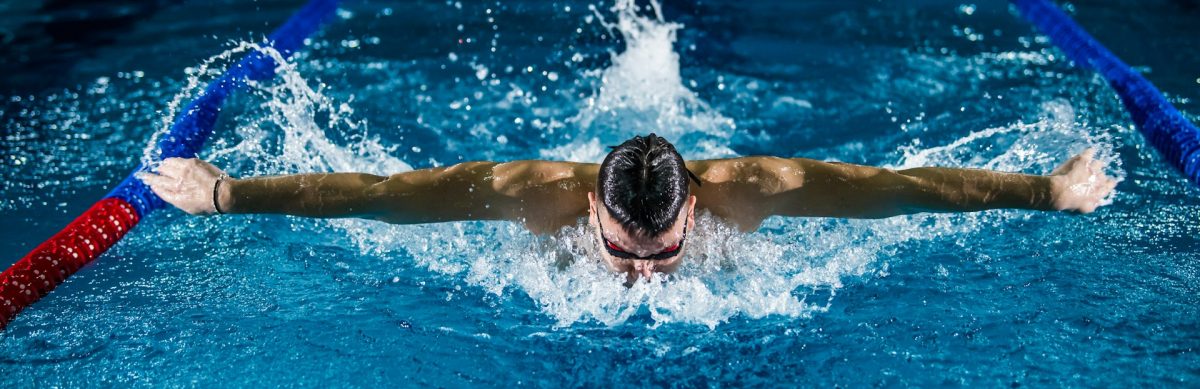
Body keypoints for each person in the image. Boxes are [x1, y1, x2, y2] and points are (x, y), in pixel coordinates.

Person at [139, 134, 1116, 282]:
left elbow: (906, 189)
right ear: (591, 209)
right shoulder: (531, 195)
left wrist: (1047, 191)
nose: (641, 273)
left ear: (697, 201)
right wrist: (227, 193)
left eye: (660, 249)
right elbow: (384, 198)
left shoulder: (759, 187)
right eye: (621, 246)